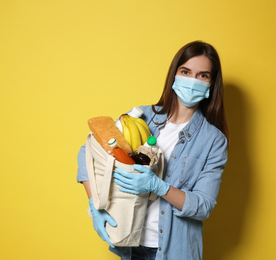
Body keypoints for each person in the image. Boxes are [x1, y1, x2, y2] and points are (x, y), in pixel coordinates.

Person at [77, 40, 229, 260]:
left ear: (211, 84)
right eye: (186, 71)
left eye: (203, 75)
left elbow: (203, 205)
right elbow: (89, 152)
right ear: (174, 75)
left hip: (176, 251)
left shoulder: (214, 141)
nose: (192, 81)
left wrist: (158, 187)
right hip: (129, 243)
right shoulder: (140, 117)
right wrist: (95, 204)